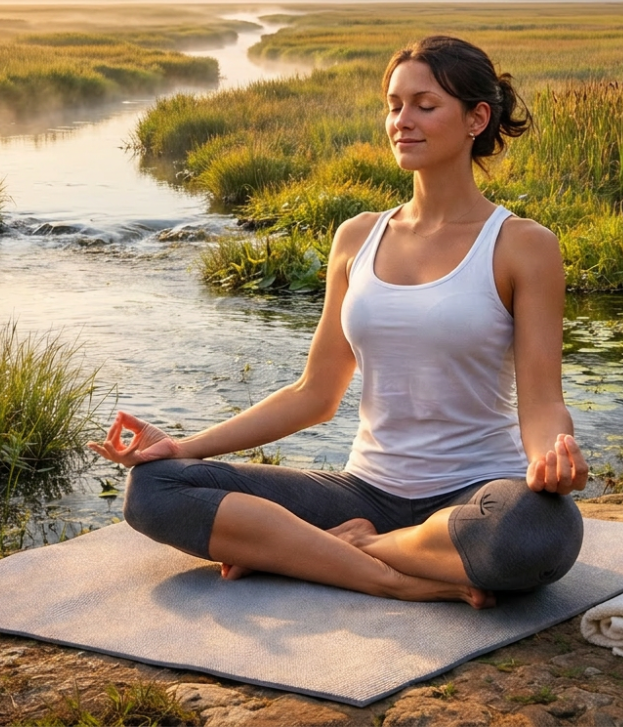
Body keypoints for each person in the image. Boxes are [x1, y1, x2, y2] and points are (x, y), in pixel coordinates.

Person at [89, 35, 588, 609]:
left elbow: (543, 399)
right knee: (154, 489)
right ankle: (391, 576)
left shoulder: (523, 246)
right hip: (363, 489)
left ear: (477, 118)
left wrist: (553, 454)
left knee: (536, 532)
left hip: (475, 495)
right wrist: (186, 448)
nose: (403, 120)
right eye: (394, 105)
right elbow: (314, 394)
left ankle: (337, 549)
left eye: (425, 105)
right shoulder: (357, 237)